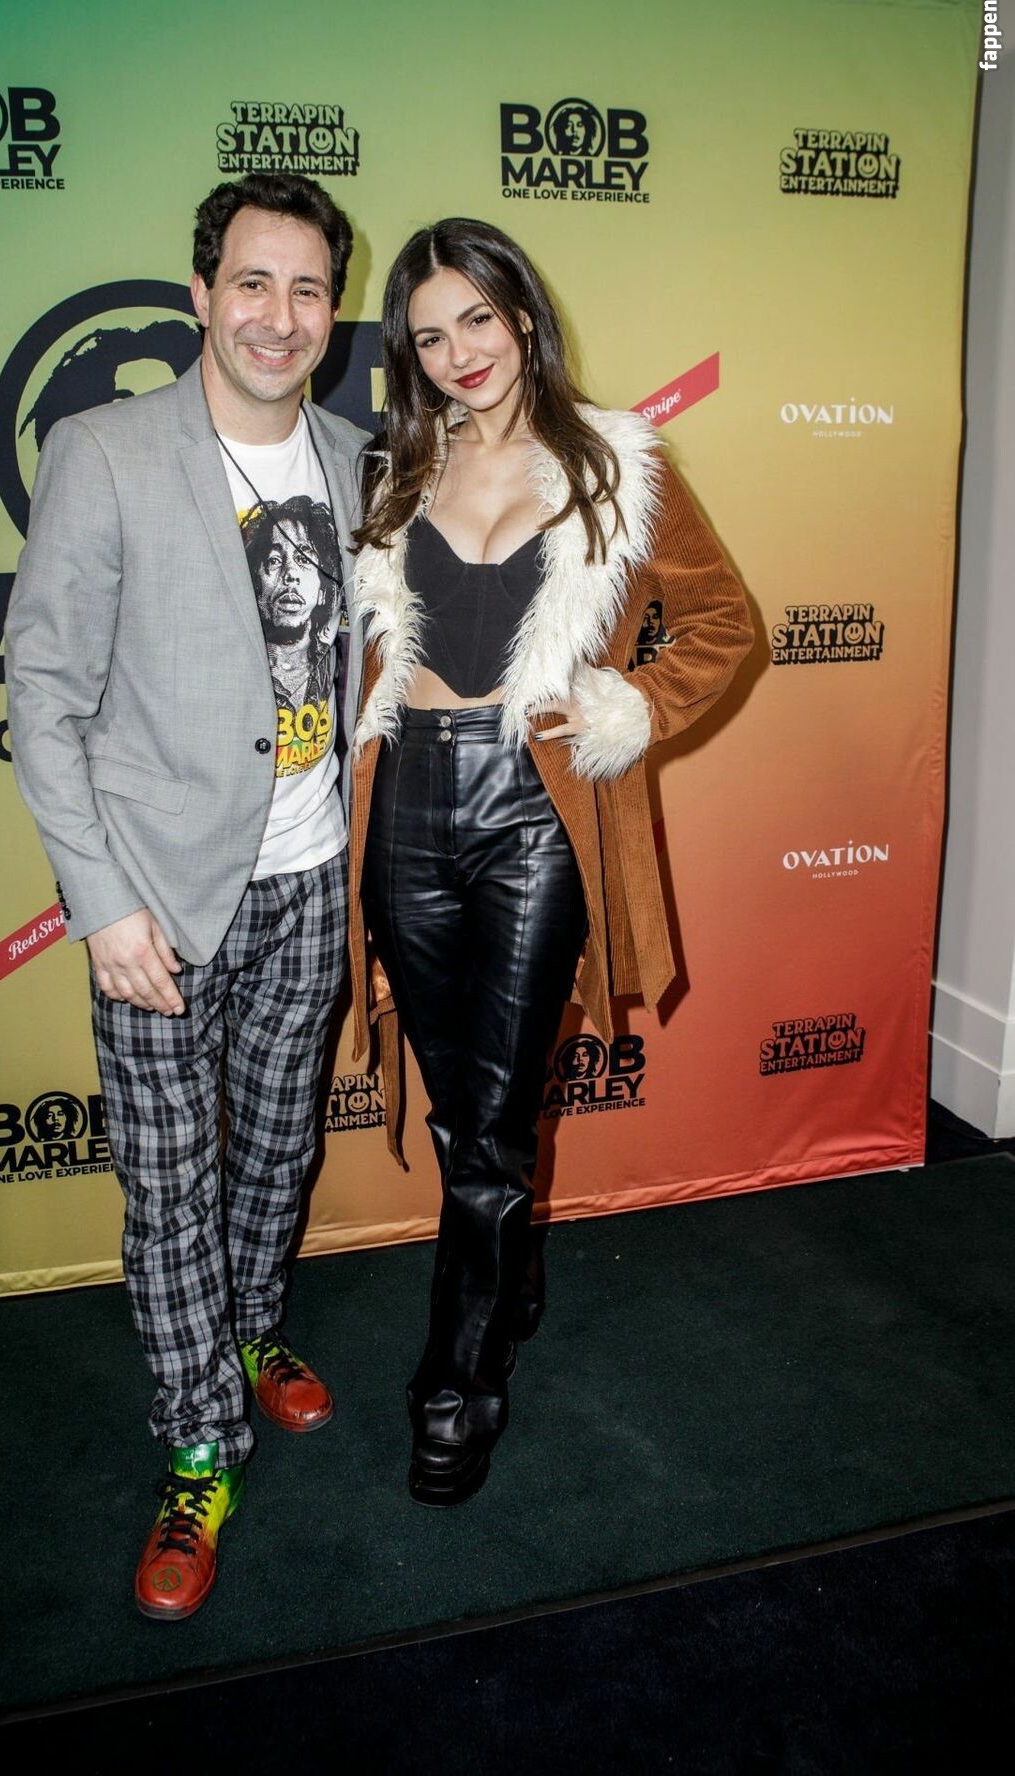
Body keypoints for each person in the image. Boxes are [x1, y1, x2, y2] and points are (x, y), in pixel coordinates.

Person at [5, 172, 368, 1617]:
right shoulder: (105, 452)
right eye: (253, 283)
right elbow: (43, 695)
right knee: (170, 1191)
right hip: (156, 898)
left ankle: (250, 1329)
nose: (280, 316)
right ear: (201, 294)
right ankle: (198, 1443)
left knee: (276, 1156)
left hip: (312, 881)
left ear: (334, 310)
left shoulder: (357, 462)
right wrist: (99, 903)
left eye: (307, 288)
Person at [346, 218, 753, 1507]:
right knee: (468, 1107)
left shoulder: (618, 464)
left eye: (477, 318)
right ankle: (510, 1265)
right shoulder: (392, 469)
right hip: (406, 802)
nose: (458, 353)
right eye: (428, 336)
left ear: (522, 314)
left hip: (536, 812)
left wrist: (631, 703)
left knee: (492, 1118)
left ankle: (455, 1381)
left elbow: (725, 621)